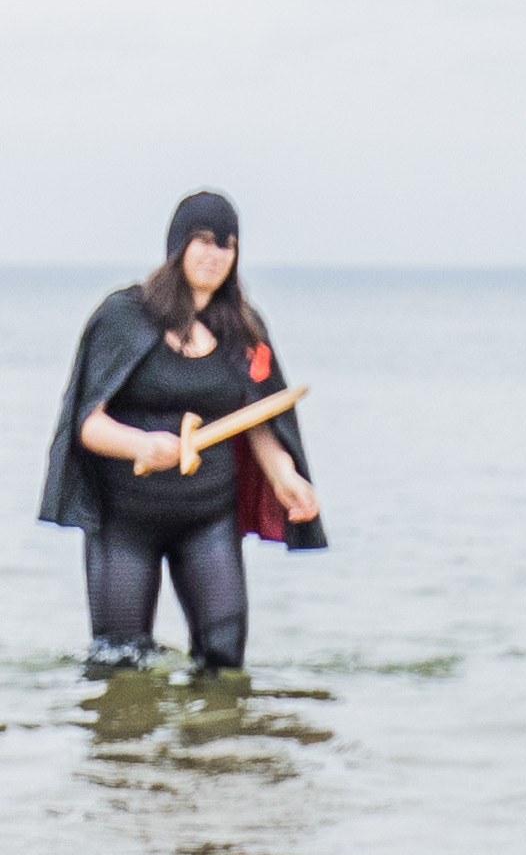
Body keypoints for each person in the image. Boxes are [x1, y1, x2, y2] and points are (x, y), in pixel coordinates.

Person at [41, 191, 325, 675]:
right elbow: (86, 423)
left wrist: (285, 477)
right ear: (178, 246)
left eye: (227, 244)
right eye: (204, 240)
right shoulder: (123, 316)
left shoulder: (243, 327)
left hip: (208, 518)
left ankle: (210, 728)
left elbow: (257, 418)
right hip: (125, 520)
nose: (216, 255)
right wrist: (141, 445)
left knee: (223, 665)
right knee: (120, 664)